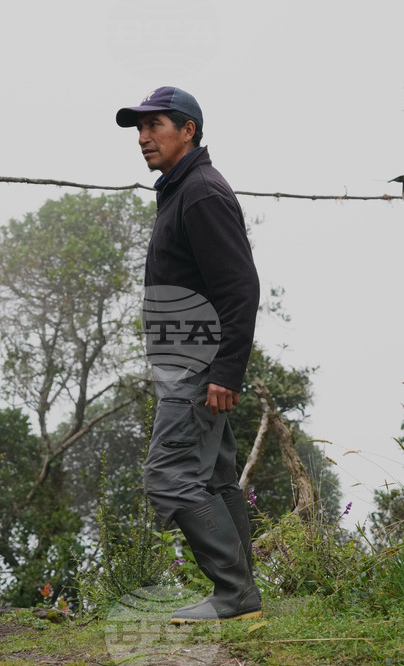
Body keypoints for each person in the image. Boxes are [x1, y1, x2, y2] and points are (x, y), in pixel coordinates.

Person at [116, 86, 262, 624]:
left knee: (169, 476)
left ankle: (233, 592)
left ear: (189, 130)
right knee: (215, 477)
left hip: (199, 361)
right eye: (139, 128)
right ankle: (242, 593)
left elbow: (240, 288)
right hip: (189, 357)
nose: (143, 137)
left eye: (155, 126)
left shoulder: (200, 192)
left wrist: (225, 370)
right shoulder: (181, 189)